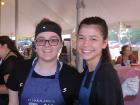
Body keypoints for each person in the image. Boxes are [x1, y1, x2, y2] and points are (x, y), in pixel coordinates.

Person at [6, 18, 81, 105]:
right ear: (35, 45)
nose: (47, 45)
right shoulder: (19, 69)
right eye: (41, 40)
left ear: (61, 44)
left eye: (53, 40)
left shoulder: (72, 75)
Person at [76, 17, 124, 105]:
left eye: (93, 39)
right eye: (81, 38)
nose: (85, 44)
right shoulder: (87, 70)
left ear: (104, 43)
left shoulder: (106, 75)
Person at [0, 36, 23, 105]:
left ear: (5, 45)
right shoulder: (10, 58)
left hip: (6, 100)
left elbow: (9, 89)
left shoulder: (10, 62)